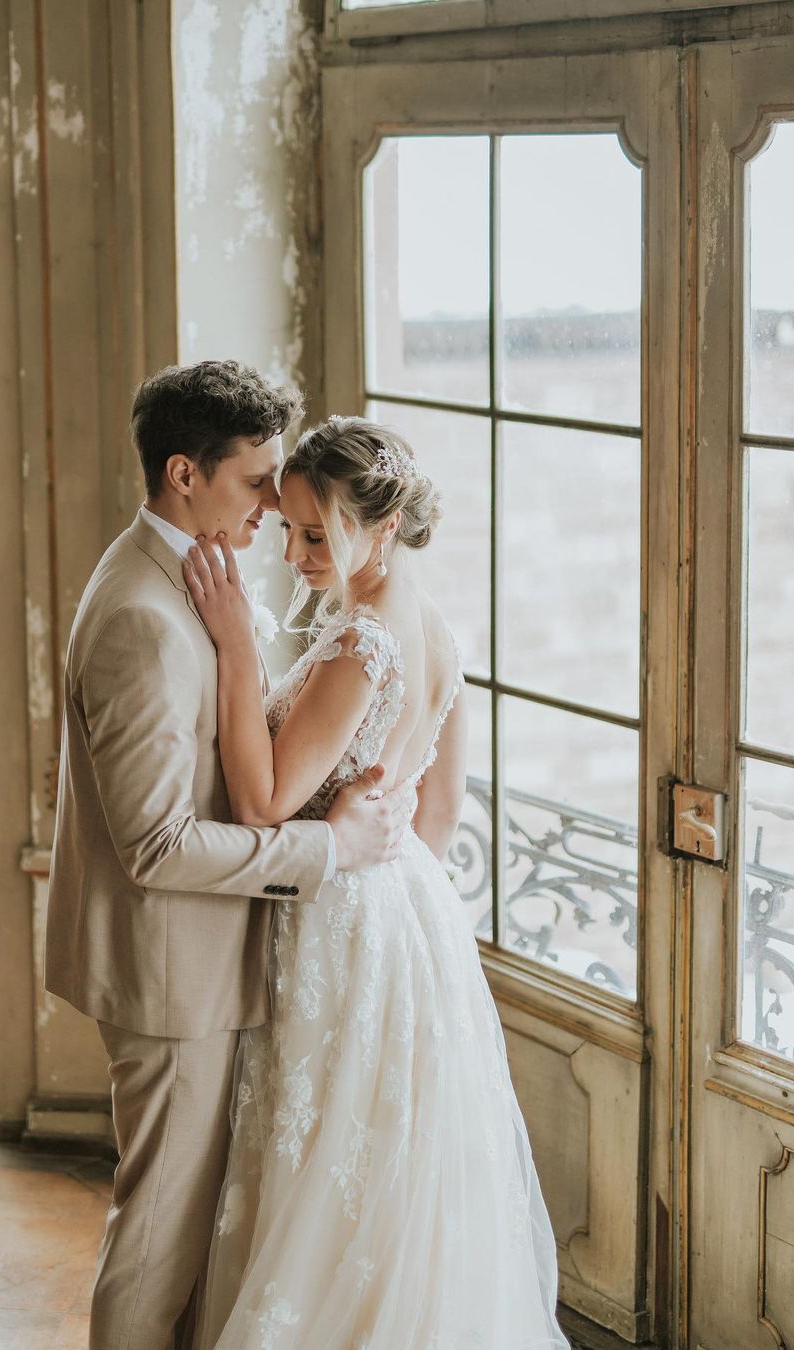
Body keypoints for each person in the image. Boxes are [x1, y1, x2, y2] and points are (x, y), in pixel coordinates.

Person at [183, 415, 568, 1349]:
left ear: (383, 526)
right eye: (290, 529)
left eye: (319, 534)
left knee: (325, 1151)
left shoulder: (365, 647)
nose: (298, 552)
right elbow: (438, 818)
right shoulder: (434, 631)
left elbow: (267, 803)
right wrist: (393, 892)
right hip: (410, 913)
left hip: (339, 915)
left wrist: (237, 647)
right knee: (388, 1157)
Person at [44, 364, 408, 1350]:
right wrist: (325, 848)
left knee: (195, 1238)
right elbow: (158, 842)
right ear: (183, 473)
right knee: (157, 1242)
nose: (269, 511)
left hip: (204, 962)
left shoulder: (184, 574)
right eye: (256, 484)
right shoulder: (142, 618)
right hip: (173, 978)